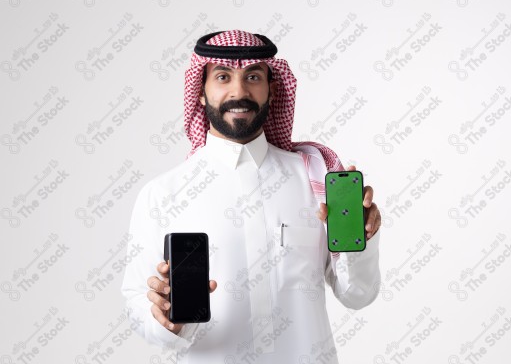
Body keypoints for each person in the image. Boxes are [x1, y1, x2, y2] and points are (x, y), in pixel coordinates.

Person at [120, 30, 382, 363]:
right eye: (223, 77)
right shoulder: (163, 195)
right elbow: (136, 304)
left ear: (273, 90)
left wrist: (363, 240)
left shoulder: (314, 178)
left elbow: (358, 295)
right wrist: (167, 322)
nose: (239, 91)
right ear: (200, 91)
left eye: (253, 77)